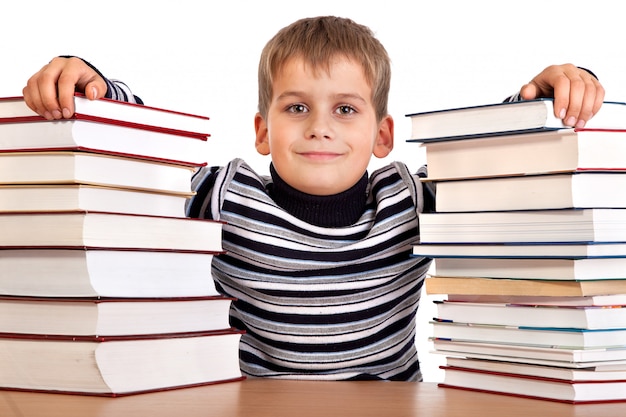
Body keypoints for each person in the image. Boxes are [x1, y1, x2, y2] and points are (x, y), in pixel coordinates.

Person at [22, 16, 605, 381]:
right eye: (296, 107)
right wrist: (93, 81)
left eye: (345, 109)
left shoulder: (408, 200)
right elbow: (143, 158)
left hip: (389, 402)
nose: (319, 127)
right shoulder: (228, 195)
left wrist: (552, 90)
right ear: (261, 131)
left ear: (382, 135)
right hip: (256, 402)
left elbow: (495, 161)